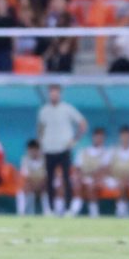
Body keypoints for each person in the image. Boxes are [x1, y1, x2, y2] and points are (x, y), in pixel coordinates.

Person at [36, 85, 87, 215]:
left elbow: (83, 124)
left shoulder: (67, 109)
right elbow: (40, 129)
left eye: (56, 93)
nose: (54, 95)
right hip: (49, 150)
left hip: (64, 149)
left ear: (60, 94)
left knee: (66, 178)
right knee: (49, 179)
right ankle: (50, 209)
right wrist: (42, 143)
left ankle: (68, 208)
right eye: (51, 93)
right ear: (48, 94)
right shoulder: (44, 111)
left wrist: (75, 140)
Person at [72, 128, 111, 218]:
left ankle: (94, 214)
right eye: (97, 137)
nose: (99, 139)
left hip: (99, 180)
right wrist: (81, 177)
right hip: (84, 178)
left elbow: (104, 170)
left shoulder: (106, 152)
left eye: (101, 137)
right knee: (78, 185)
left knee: (91, 186)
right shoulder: (83, 151)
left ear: (104, 139)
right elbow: (78, 169)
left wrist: (92, 179)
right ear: (93, 137)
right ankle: (73, 211)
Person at [17, 139, 49, 216]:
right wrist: (33, 186)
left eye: (35, 150)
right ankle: (21, 213)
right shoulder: (25, 159)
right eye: (31, 151)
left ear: (39, 150)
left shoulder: (45, 159)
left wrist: (40, 186)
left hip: (43, 185)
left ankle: (48, 212)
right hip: (31, 185)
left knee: (47, 189)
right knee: (22, 190)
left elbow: (46, 177)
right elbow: (26, 177)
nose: (33, 153)